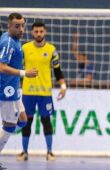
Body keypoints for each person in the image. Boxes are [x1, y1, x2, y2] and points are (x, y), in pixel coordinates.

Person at [16, 21, 67, 161]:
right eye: (36, 31)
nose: (39, 34)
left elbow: (57, 71)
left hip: (45, 93)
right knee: (26, 122)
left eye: (41, 31)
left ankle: (49, 152)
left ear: (45, 32)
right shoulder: (24, 48)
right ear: (32, 33)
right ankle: (24, 152)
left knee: (46, 121)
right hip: (28, 92)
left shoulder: (51, 50)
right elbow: (17, 69)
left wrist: (63, 86)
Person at [0, 13, 38, 169]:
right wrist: (24, 73)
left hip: (14, 89)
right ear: (9, 25)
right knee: (9, 125)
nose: (21, 29)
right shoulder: (8, 42)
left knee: (22, 121)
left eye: (23, 25)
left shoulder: (14, 39)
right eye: (17, 26)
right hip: (6, 90)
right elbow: (1, 67)